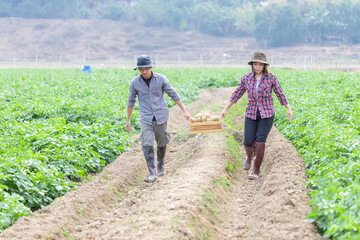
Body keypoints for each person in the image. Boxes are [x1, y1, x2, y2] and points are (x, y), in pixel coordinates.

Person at [220, 51, 292, 180]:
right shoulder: (246, 78)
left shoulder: (271, 78)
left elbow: (279, 93)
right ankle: (249, 156)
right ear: (252, 65)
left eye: (260, 64)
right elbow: (237, 93)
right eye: (255, 64)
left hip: (267, 113)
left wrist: (288, 108)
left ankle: (256, 169)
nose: (257, 67)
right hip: (251, 112)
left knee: (260, 140)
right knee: (248, 141)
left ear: (265, 66)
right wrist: (225, 109)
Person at [126, 55, 191, 183]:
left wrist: (184, 111)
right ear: (138, 69)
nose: (144, 72)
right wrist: (128, 120)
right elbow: (131, 101)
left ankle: (160, 165)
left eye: (146, 69)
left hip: (161, 115)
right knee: (147, 143)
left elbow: (173, 94)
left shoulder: (161, 79)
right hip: (145, 117)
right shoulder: (135, 83)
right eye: (141, 69)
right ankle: (152, 172)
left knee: (162, 141)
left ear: (151, 67)